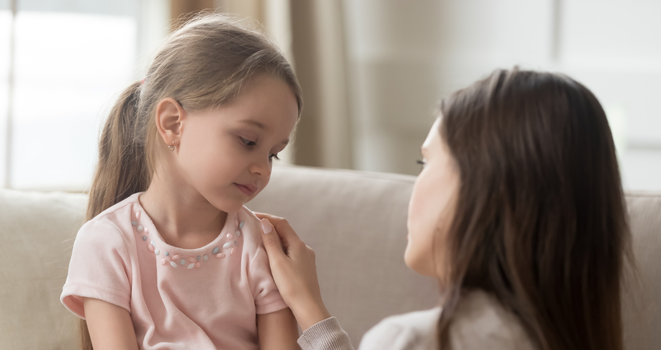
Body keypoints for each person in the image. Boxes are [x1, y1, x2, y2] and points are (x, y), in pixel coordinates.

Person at [256, 68, 631, 350]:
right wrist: (309, 307)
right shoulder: (564, 335)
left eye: (425, 164)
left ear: (482, 187)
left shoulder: (414, 340)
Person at [60, 14, 302, 350]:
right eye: (248, 141)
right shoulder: (107, 242)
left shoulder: (259, 247)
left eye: (274, 154)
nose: (263, 168)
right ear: (173, 123)